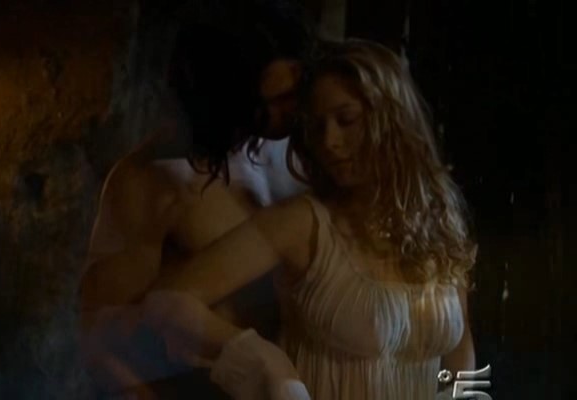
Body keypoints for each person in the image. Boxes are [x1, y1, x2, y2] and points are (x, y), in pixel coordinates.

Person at [143, 39, 478, 400]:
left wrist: (468, 397)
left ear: (392, 117)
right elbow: (168, 299)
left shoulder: (440, 219)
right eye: (317, 128)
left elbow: (461, 348)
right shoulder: (303, 224)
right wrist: (268, 363)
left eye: (346, 120)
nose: (329, 141)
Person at [79, 9, 312, 399]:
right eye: (274, 100)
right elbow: (99, 340)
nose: (293, 109)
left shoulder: (305, 155)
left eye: (296, 91)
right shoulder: (152, 178)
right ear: (232, 95)